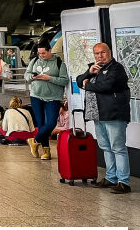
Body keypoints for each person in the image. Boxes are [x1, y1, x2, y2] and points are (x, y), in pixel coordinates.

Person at [76, 43, 131, 194]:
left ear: (109, 52)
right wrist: (88, 73)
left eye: (103, 53)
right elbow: (79, 80)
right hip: (98, 115)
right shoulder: (95, 68)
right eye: (96, 54)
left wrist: (87, 85)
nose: (100, 56)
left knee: (118, 148)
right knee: (106, 147)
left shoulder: (116, 69)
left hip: (113, 114)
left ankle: (123, 182)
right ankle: (111, 178)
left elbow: (107, 86)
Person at [24, 41, 68, 160]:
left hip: (53, 97)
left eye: (43, 53)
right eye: (39, 53)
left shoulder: (59, 63)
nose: (41, 55)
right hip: (36, 96)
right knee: (41, 123)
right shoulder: (34, 61)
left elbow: (64, 80)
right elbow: (26, 75)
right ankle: (46, 151)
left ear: (49, 51)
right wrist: (32, 77)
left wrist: (49, 78)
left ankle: (35, 141)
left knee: (51, 123)